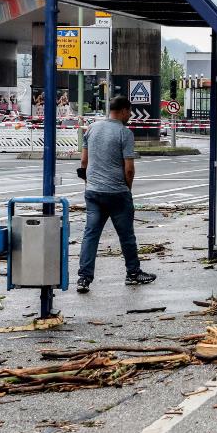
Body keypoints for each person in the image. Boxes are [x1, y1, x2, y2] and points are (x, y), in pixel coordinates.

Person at [75, 95, 156, 294]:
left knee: (90, 235)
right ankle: (133, 273)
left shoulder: (92, 128)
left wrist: (89, 183)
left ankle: (84, 278)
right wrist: (127, 189)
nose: (130, 115)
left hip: (93, 192)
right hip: (117, 193)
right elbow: (129, 169)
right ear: (122, 111)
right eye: (129, 112)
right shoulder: (124, 133)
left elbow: (84, 162)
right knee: (126, 235)